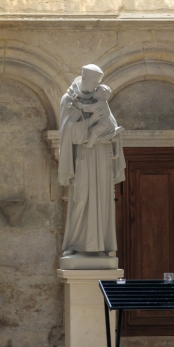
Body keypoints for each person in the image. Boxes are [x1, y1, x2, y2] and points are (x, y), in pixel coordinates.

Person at [58, 64, 125, 257]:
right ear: (84, 76)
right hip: (83, 157)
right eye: (94, 81)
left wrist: (111, 137)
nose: (97, 85)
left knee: (102, 199)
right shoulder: (69, 100)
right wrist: (93, 120)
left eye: (99, 82)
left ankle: (101, 246)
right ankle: (75, 244)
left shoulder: (100, 99)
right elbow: (69, 133)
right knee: (81, 198)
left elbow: (111, 126)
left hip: (102, 154)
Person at [69, 83, 124, 148]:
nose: (94, 91)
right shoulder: (103, 103)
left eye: (97, 90)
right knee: (92, 131)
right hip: (106, 123)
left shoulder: (101, 103)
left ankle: (90, 144)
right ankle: (98, 140)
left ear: (102, 94)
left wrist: (79, 105)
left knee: (95, 131)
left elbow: (89, 108)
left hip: (105, 124)